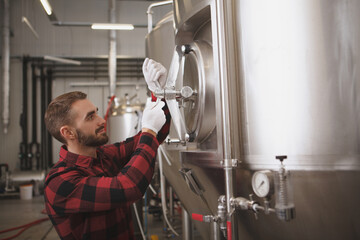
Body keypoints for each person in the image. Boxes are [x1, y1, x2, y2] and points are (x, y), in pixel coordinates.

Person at [44, 59, 170, 240]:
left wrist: (158, 92)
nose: (102, 120)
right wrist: (148, 129)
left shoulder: (104, 156)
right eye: (90, 117)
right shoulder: (60, 182)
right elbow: (128, 187)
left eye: (96, 112)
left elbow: (158, 134)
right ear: (68, 132)